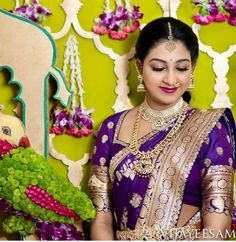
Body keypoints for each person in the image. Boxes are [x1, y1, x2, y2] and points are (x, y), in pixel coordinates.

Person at [88, 17, 236, 240]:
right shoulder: (111, 129)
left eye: (181, 68)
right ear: (139, 67)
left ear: (192, 68)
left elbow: (218, 220)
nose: (171, 79)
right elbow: (102, 217)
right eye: (158, 68)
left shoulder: (211, 128)